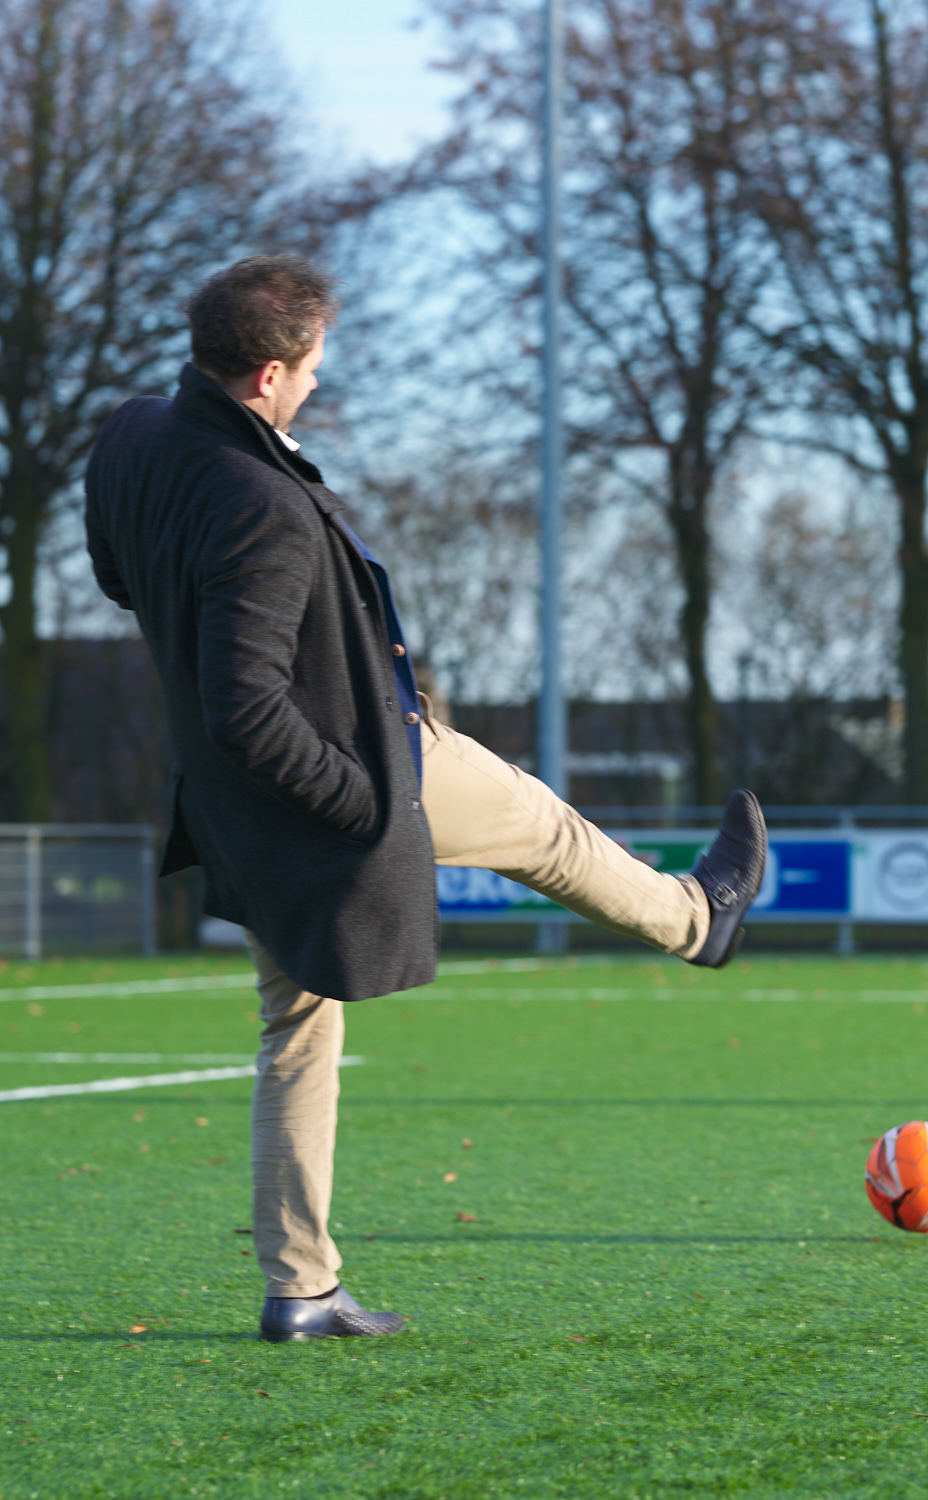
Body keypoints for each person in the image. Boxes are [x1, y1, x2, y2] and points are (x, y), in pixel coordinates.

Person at [84, 256, 768, 1341]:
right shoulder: (261, 502)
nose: (316, 382)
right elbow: (245, 706)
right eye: (310, 366)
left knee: (297, 1030)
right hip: (350, 764)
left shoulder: (129, 433)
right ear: (267, 373)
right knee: (541, 828)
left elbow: (121, 574)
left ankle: (300, 1287)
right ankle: (697, 917)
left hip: (236, 799)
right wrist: (362, 803)